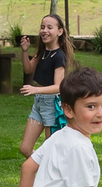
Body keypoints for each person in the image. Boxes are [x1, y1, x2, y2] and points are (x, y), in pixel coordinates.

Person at [18, 14, 75, 157]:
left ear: (60, 31)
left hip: (51, 105)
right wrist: (25, 51)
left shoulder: (59, 56)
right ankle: (46, 168)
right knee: (25, 149)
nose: (45, 30)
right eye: (42, 27)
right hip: (38, 104)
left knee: (51, 150)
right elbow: (28, 69)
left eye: (50, 27)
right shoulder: (43, 52)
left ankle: (53, 174)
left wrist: (35, 89)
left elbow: (59, 86)